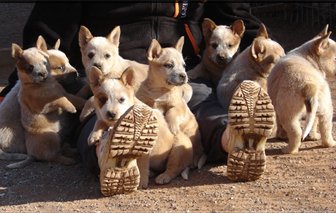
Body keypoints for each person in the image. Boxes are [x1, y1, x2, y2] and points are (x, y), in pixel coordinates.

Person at [0, 2, 272, 193]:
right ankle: (109, 152)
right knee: (101, 114)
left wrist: (268, 61)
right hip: (108, 70)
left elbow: (236, 18)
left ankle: (235, 137)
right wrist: (21, 84)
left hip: (173, 68)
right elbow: (46, 33)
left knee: (200, 103)